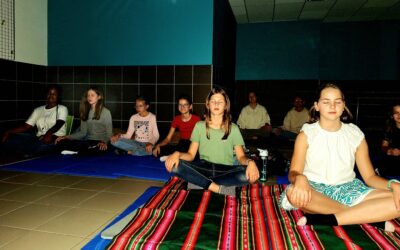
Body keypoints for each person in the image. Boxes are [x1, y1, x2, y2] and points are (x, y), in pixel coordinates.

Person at [280, 83, 400, 232]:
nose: (332, 106)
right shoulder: (306, 134)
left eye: (338, 101)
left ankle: (327, 219)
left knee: (398, 196)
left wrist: (393, 185)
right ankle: (368, 218)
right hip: (314, 189)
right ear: (316, 106)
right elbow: (293, 173)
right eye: (326, 102)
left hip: (349, 189)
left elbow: (369, 177)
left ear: (343, 106)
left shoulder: (355, 134)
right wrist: (300, 178)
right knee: (294, 194)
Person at [165, 87, 259, 196]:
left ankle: (201, 184)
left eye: (220, 102)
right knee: (174, 166)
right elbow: (190, 155)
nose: (216, 104)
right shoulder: (199, 126)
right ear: (208, 105)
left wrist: (250, 162)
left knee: (246, 175)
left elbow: (241, 157)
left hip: (225, 170)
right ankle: (217, 188)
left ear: (225, 106)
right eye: (213, 101)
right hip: (204, 168)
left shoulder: (233, 128)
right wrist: (177, 154)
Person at [1, 84, 68, 157]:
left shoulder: (62, 108)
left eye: (54, 94)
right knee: (14, 139)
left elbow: (59, 123)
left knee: (38, 147)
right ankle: (23, 151)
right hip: (38, 137)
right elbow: (26, 126)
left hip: (55, 139)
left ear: (58, 96)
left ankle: (26, 152)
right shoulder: (38, 110)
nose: (51, 95)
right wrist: (8, 132)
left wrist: (48, 134)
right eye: (49, 93)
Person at [55, 87, 112, 155]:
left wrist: (104, 142)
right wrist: (66, 137)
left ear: (99, 97)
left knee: (100, 149)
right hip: (88, 142)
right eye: (88, 95)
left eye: (92, 95)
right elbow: (83, 133)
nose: (89, 97)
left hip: (101, 142)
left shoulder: (106, 112)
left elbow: (109, 133)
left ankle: (80, 152)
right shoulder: (85, 111)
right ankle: (81, 151)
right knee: (62, 142)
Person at [377, 102, 400, 177]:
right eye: (396, 113)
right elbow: (384, 146)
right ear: (392, 116)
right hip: (392, 164)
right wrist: (390, 150)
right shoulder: (389, 129)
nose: (399, 115)